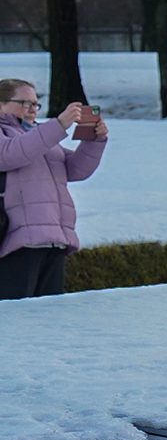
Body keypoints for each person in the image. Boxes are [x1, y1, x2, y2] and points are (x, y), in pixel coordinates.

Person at [0, 81, 106, 299]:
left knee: (48, 316)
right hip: (15, 241)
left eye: (35, 104)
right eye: (24, 102)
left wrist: (93, 140)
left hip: (54, 239)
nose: (32, 109)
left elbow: (76, 169)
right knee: (16, 315)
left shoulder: (40, 136)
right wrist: (58, 125)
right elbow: (12, 154)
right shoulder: (14, 135)